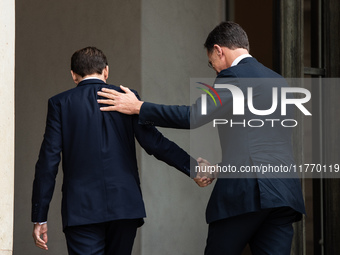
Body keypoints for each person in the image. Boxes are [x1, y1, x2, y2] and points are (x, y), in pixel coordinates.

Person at [97, 22, 306, 255]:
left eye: (211, 62)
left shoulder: (232, 76)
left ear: (219, 50)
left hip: (246, 193)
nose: (214, 69)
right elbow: (262, 141)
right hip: (284, 194)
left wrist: (139, 107)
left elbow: (193, 116)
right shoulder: (279, 80)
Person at [31, 46, 211, 255]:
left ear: (73, 75)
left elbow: (48, 162)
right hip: (125, 206)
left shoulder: (60, 104)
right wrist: (193, 168)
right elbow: (155, 143)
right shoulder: (127, 98)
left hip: (81, 210)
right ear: (105, 71)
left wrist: (40, 216)